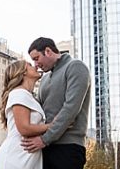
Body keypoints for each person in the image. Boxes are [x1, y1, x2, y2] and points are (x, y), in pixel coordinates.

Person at [21, 37, 91, 169]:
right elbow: (38, 112)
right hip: (45, 148)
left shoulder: (76, 67)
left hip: (68, 148)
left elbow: (71, 109)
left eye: (36, 58)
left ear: (48, 51)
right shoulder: (45, 79)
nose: (36, 65)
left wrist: (44, 139)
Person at [0, 60, 50, 169]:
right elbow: (24, 129)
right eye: (29, 65)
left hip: (26, 156)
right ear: (23, 72)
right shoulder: (19, 93)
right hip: (16, 157)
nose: (35, 66)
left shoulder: (28, 96)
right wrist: (53, 125)